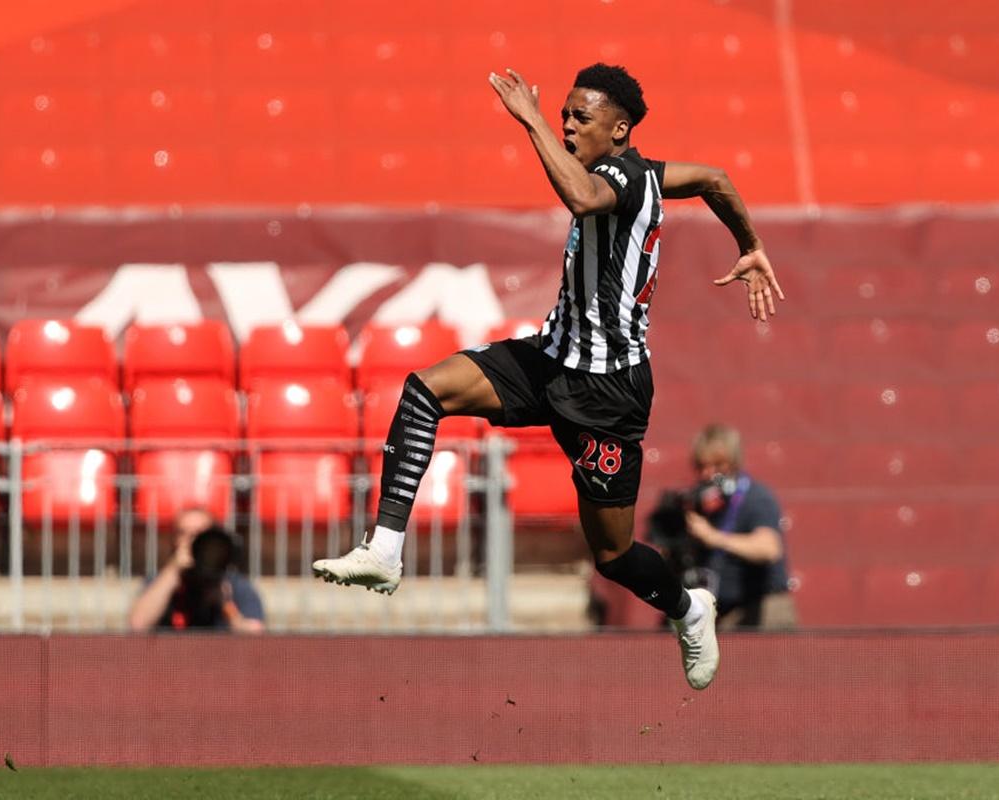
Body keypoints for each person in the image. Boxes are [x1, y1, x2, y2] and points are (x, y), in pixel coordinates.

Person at [313, 64, 784, 690]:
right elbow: (716, 179)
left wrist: (529, 120)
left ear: (618, 131)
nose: (565, 124)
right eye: (561, 113)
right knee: (424, 390)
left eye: (578, 118)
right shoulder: (646, 174)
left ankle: (689, 608)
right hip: (550, 359)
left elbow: (584, 197)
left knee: (613, 556)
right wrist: (748, 243)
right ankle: (386, 548)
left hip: (605, 394)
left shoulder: (613, 178)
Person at [683, 424, 796, 629]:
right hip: (721, 611)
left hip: (762, 610)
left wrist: (713, 537)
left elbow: (769, 548)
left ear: (734, 463)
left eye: (718, 465)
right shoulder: (699, 502)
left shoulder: (756, 497)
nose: (708, 474)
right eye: (701, 466)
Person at [128, 508, 265, 634]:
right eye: (183, 533)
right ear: (174, 540)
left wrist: (225, 605)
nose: (191, 541)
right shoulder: (160, 581)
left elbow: (254, 635)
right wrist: (174, 570)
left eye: (199, 534)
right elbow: (138, 625)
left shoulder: (234, 584)